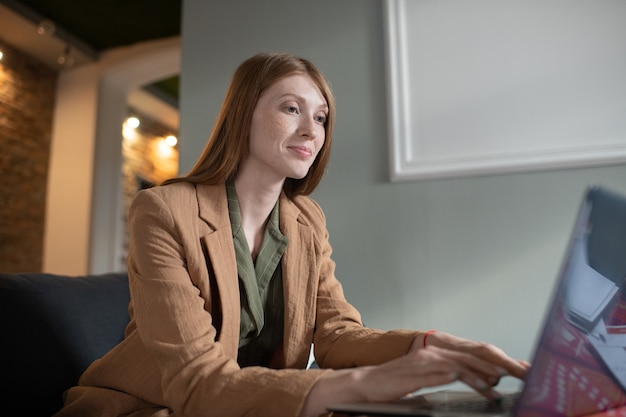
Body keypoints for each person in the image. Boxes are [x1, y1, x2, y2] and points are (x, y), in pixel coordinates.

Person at [55, 52, 529, 417]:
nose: (311, 130)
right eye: (291, 108)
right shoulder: (163, 210)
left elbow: (337, 335)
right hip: (146, 408)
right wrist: (359, 386)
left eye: (320, 117)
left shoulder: (306, 220)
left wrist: (428, 344)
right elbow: (195, 381)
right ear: (243, 115)